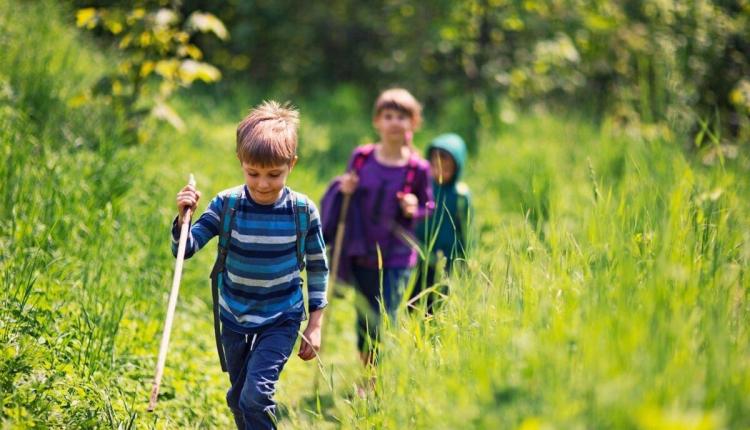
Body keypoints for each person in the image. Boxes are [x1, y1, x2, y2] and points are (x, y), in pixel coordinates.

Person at [172, 101, 328, 430]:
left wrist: (315, 324)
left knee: (255, 396)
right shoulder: (227, 205)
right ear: (241, 163)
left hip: (281, 316)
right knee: (237, 397)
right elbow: (186, 248)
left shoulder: (302, 212)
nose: (262, 183)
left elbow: (317, 267)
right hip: (234, 314)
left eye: (274, 174)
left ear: (292, 165)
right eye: (252, 172)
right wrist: (183, 218)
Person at [330, 88, 434, 365]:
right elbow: (346, 194)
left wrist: (414, 207)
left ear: (413, 123)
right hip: (363, 250)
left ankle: (378, 376)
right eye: (388, 116)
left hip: (397, 254)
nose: (394, 122)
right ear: (377, 121)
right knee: (365, 315)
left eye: (402, 116)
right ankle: (368, 372)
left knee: (385, 313)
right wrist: (346, 189)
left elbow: (428, 206)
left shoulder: (418, 168)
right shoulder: (362, 157)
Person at [410, 133, 472, 313]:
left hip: (447, 257)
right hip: (420, 252)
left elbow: (467, 229)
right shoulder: (424, 187)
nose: (439, 173)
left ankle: (431, 331)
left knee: (437, 301)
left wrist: (465, 258)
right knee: (412, 297)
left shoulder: (460, 195)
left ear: (457, 169)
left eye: (446, 169)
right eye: (435, 167)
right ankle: (409, 331)